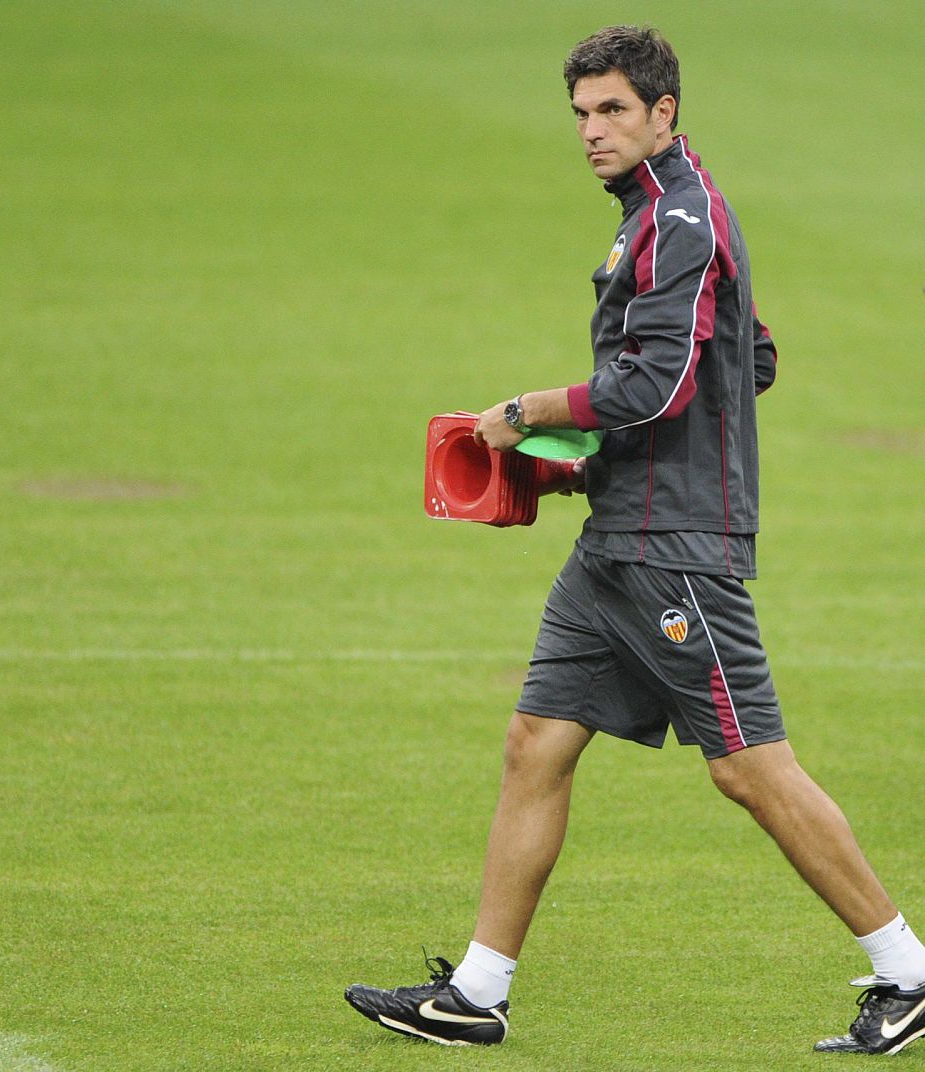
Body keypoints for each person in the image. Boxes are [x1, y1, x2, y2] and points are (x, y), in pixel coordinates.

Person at [344, 25, 925, 1054]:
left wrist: (526, 412)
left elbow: (655, 382)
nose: (591, 131)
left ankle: (909, 969)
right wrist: (585, 468)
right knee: (537, 742)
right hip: (620, 536)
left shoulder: (681, 220)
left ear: (663, 113)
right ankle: (478, 993)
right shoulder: (653, 218)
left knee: (748, 766)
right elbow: (750, 360)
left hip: (673, 550)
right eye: (579, 112)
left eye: (612, 110)